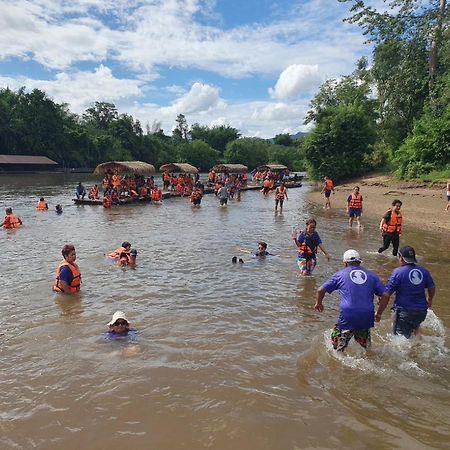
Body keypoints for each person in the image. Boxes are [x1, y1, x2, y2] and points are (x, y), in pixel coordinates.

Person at [315, 249, 386, 352]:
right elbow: (385, 295)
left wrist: (319, 303)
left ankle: (338, 359)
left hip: (348, 315)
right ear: (360, 262)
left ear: (345, 263)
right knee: (366, 350)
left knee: (337, 349)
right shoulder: (372, 275)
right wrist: (379, 313)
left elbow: (320, 290)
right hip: (366, 315)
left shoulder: (340, 274)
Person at [375, 246, 435, 338]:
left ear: (401, 258)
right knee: (415, 333)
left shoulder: (398, 272)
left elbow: (387, 295)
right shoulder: (424, 271)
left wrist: (379, 313)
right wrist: (430, 300)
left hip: (404, 311)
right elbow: (431, 287)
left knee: (399, 341)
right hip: (421, 311)